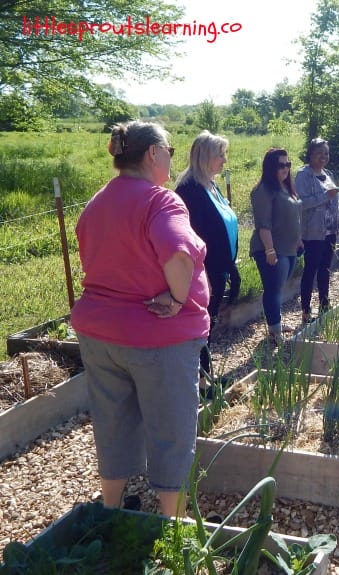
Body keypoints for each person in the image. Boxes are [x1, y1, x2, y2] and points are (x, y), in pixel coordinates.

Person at [70, 120, 210, 518]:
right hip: (158, 338)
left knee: (112, 422)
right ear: (152, 154)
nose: (171, 158)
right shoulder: (160, 201)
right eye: (168, 150)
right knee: (171, 430)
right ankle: (172, 524)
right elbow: (180, 254)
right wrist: (180, 298)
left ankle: (111, 511)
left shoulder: (97, 202)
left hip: (100, 336)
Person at [175, 131, 239, 391]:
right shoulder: (189, 191)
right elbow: (191, 239)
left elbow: (223, 229)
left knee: (209, 322)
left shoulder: (209, 185)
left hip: (218, 268)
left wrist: (230, 267)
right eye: (219, 155)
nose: (224, 161)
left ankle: (205, 376)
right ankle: (200, 383)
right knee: (201, 326)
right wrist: (206, 276)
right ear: (204, 157)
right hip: (203, 272)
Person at [250, 148, 302, 345]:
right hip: (272, 249)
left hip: (289, 248)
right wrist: (269, 250)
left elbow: (295, 215)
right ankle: (274, 331)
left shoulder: (286, 187)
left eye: (288, 164)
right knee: (273, 289)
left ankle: (276, 323)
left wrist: (298, 240)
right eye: (281, 165)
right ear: (270, 167)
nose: (285, 168)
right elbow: (263, 224)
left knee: (279, 288)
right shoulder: (264, 190)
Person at [295, 138, 339, 324]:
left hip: (330, 230)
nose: (323, 157)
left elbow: (334, 200)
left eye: (326, 153)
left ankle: (324, 303)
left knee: (325, 268)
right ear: (310, 155)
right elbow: (301, 203)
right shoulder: (303, 175)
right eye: (319, 153)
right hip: (313, 232)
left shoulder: (328, 173)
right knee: (311, 269)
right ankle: (306, 310)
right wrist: (325, 196)